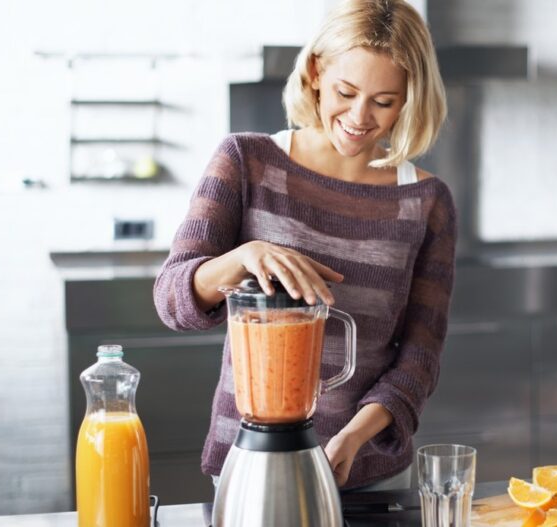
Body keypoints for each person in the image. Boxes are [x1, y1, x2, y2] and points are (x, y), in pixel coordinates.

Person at [153, 0, 455, 492]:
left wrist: (354, 437)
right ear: (316, 72)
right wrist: (239, 259)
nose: (359, 117)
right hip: (250, 464)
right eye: (346, 91)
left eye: (383, 101)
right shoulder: (246, 162)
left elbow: (420, 355)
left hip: (365, 471)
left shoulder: (426, 201)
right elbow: (170, 300)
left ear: (409, 100)